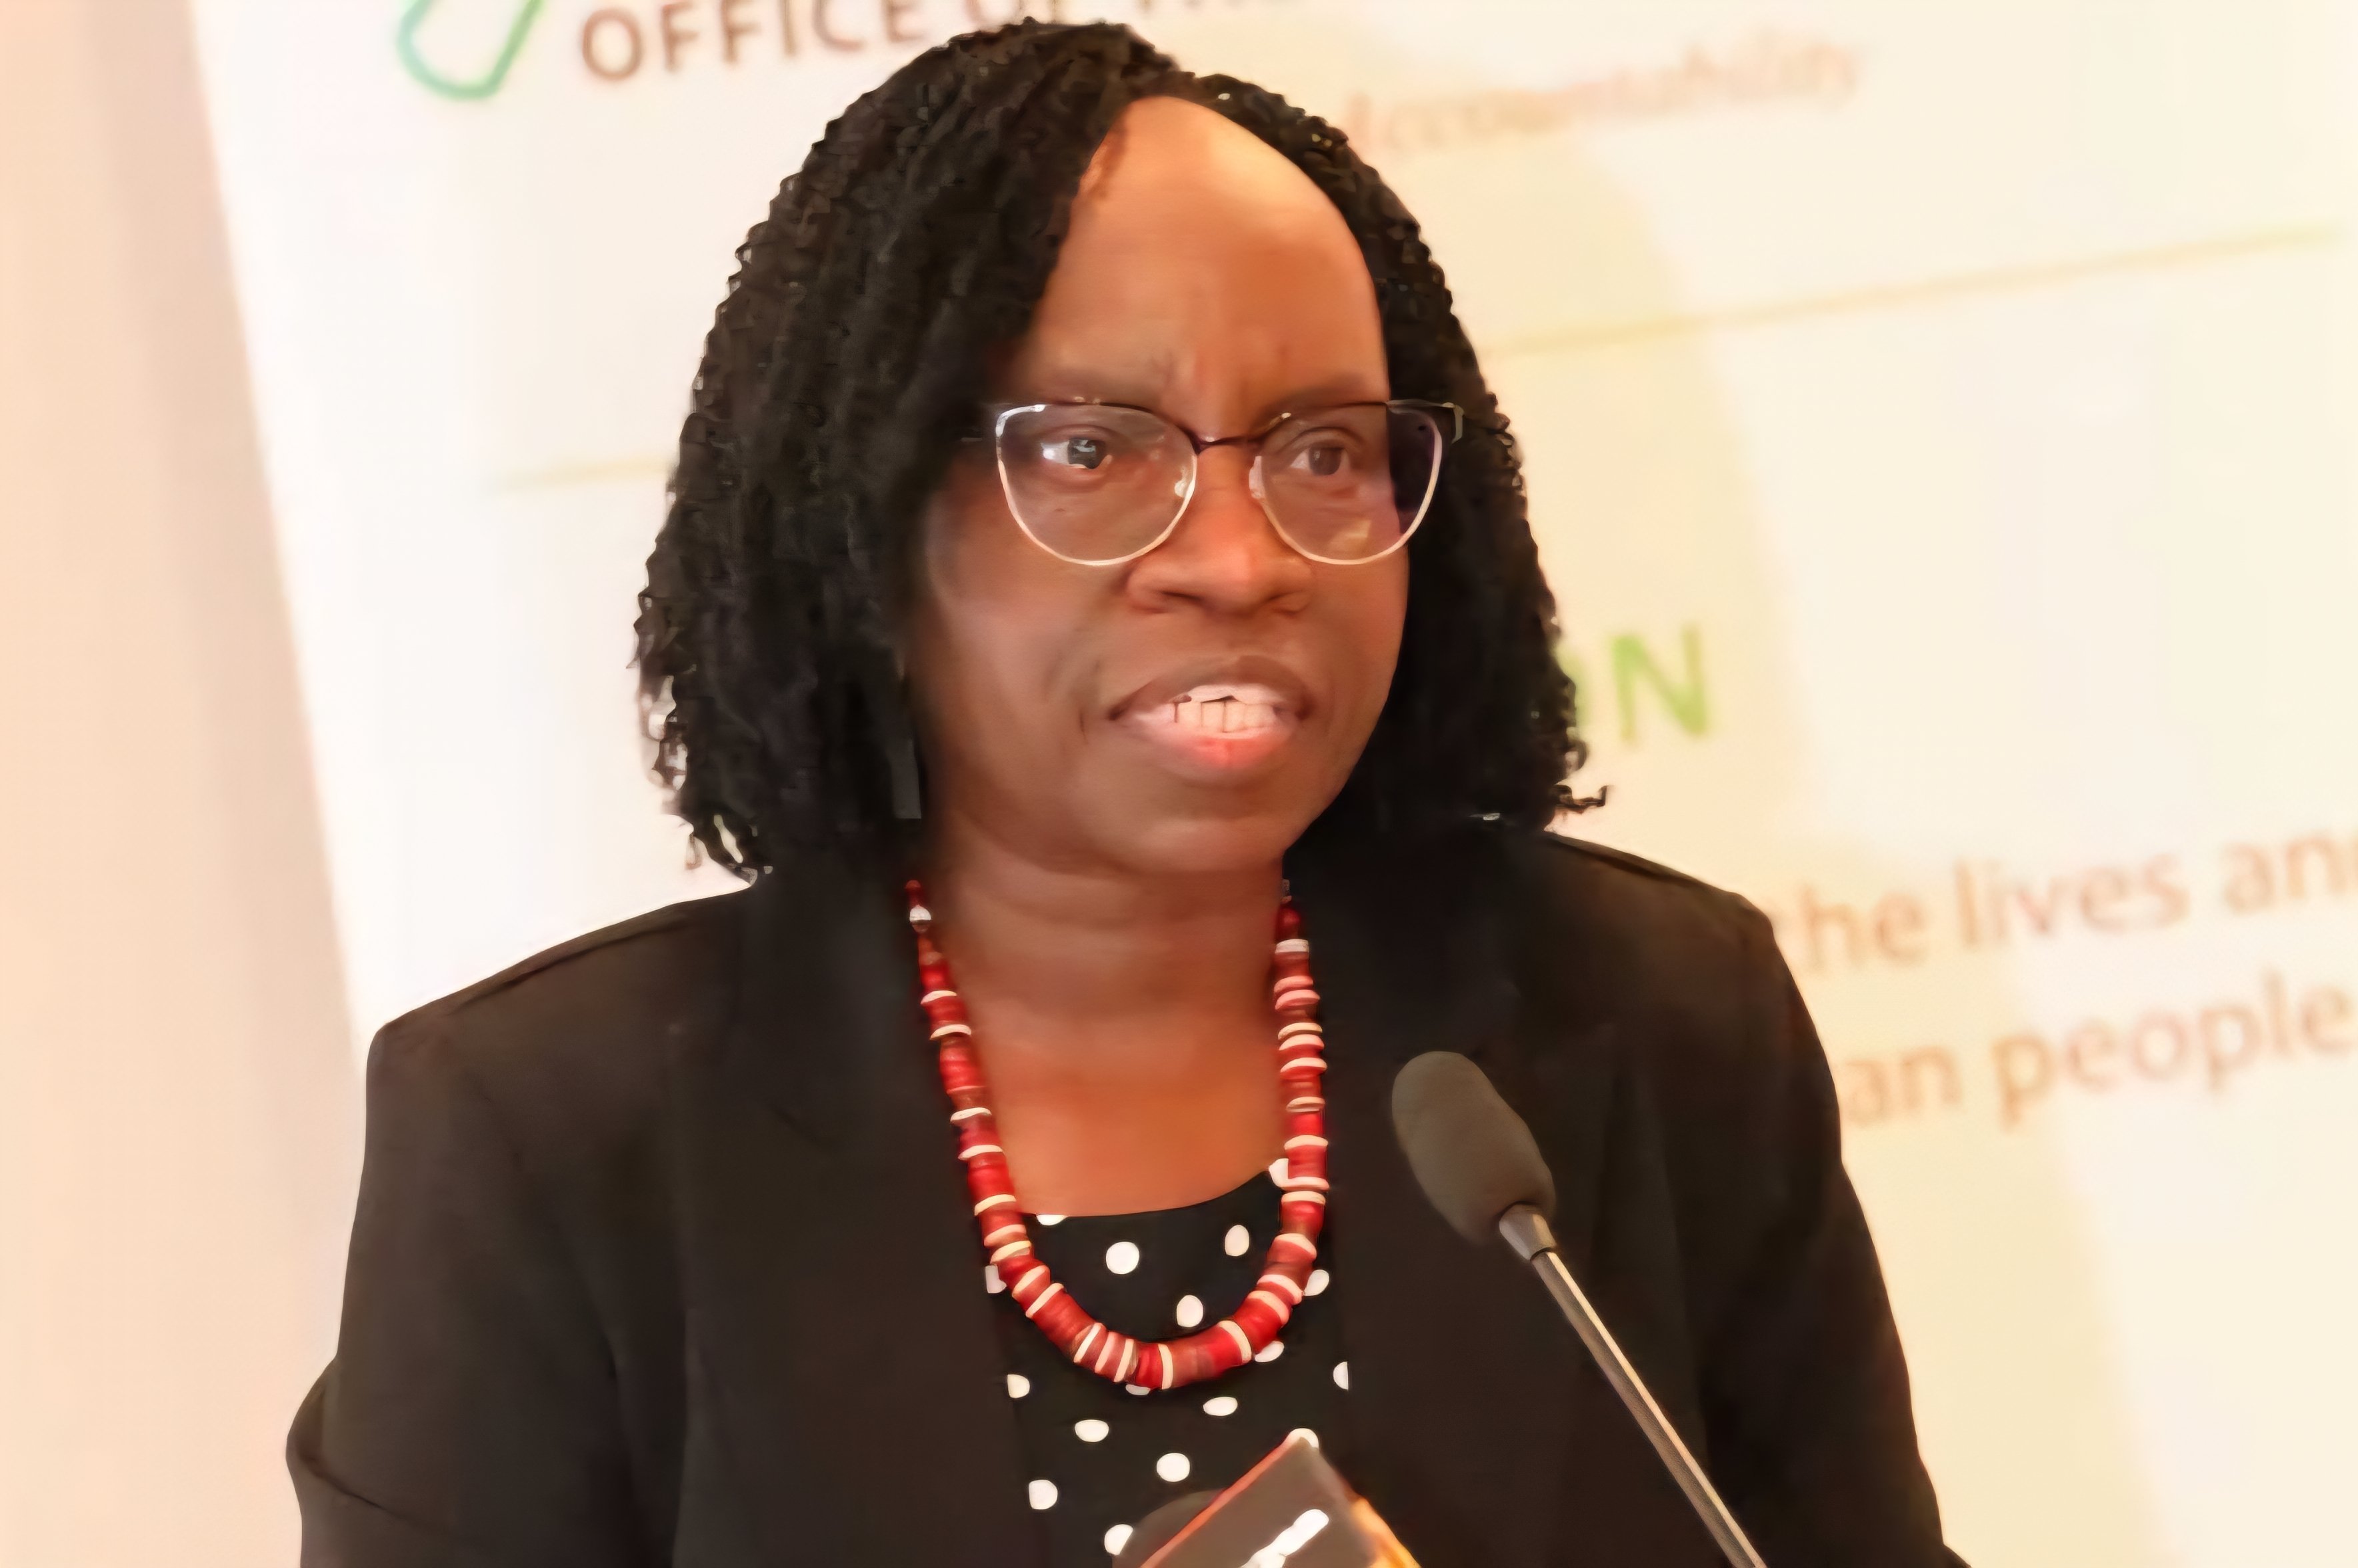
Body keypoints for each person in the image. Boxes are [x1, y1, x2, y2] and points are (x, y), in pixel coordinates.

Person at [287, 21, 1959, 1568]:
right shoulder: (554, 1146)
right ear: (868, 510)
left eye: (1321, 451)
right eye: (1088, 452)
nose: (1237, 560)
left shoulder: (1655, 1028)